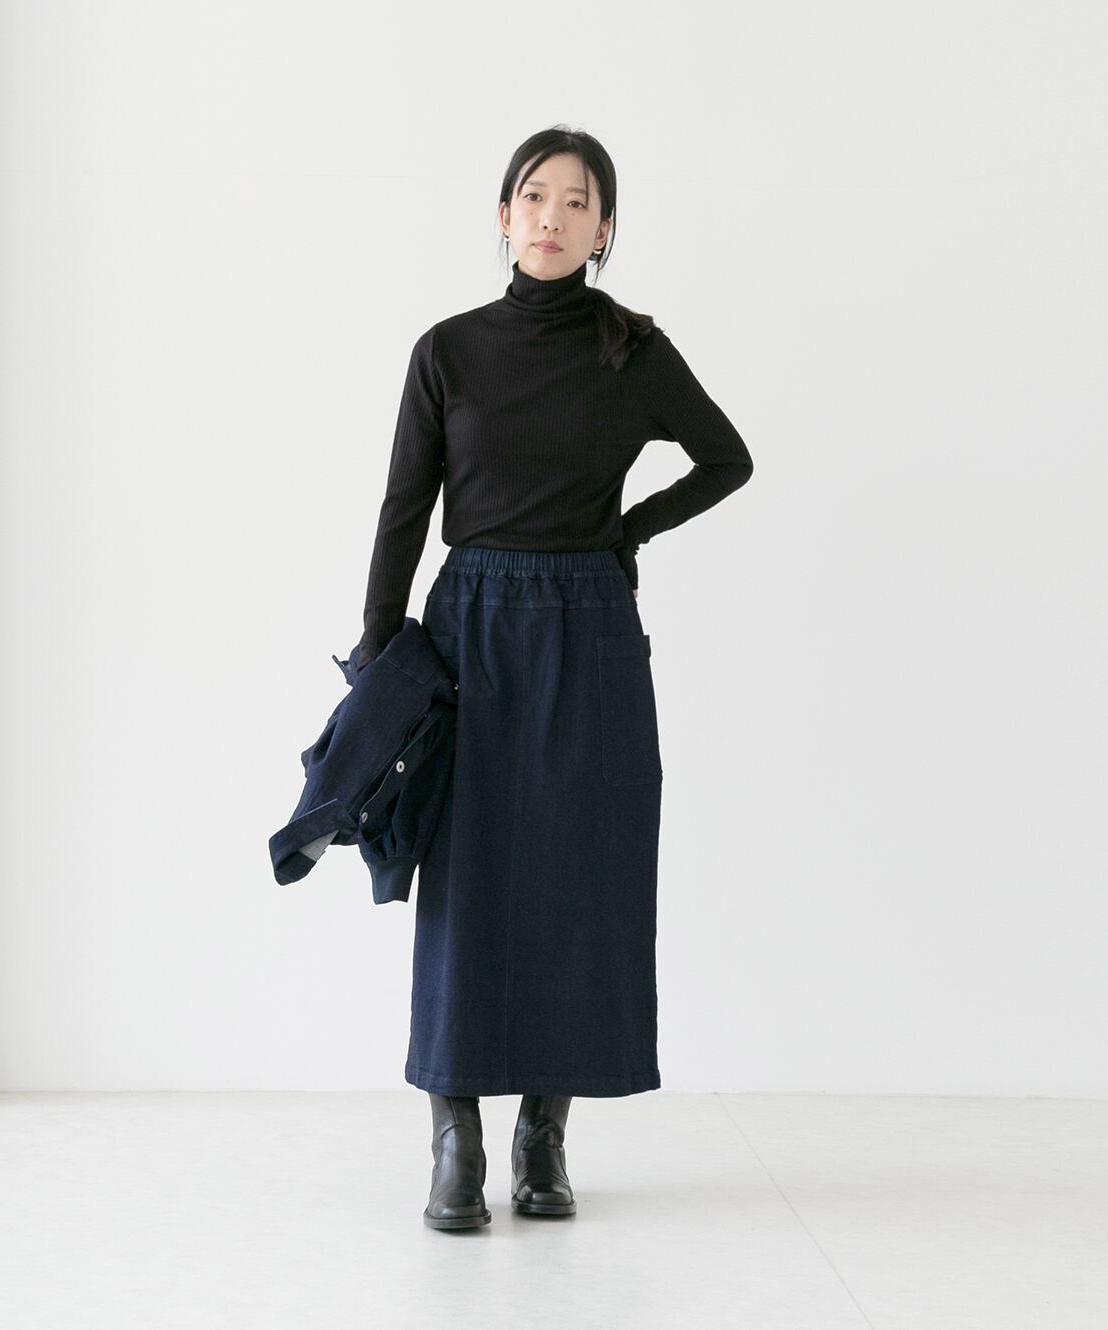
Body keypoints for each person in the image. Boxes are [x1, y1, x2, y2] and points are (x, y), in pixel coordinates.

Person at [352, 126, 754, 1229]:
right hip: (471, 625)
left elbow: (726, 458)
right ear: (503, 214)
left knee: (578, 878)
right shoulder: (448, 350)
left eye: (578, 202)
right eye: (535, 195)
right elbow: (404, 507)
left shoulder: (633, 350)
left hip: (589, 627)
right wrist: (379, 650)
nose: (553, 216)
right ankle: (455, 1138)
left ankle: (543, 1137)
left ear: (604, 229)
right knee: (465, 878)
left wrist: (628, 531)